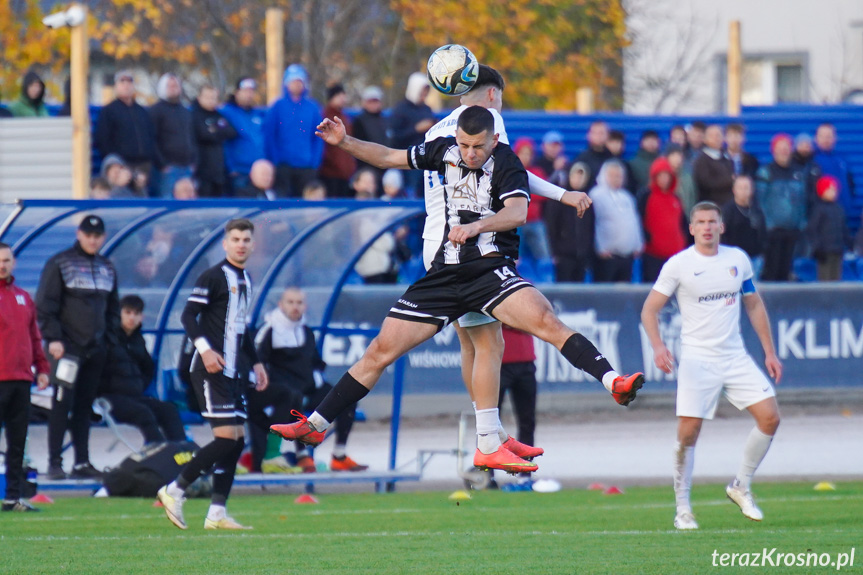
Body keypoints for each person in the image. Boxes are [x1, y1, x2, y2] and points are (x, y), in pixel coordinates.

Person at [271, 106, 644, 474]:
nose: (469, 153)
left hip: (488, 271)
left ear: (494, 139)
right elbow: (387, 156)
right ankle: (316, 424)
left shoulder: (507, 162)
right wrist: (344, 141)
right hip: (444, 275)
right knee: (381, 351)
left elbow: (517, 213)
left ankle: (613, 381)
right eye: (464, 145)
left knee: (544, 320)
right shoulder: (444, 150)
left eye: (477, 147)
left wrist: (476, 227)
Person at [417, 66, 594, 459]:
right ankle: (489, 437)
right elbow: (513, 175)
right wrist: (563, 194)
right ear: (493, 95)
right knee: (490, 344)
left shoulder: (435, 130)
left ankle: (490, 431)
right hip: (469, 242)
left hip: (435, 242)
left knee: (472, 345)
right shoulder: (489, 122)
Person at [641, 201, 783, 530]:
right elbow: (650, 310)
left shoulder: (737, 259)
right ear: (691, 228)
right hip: (698, 359)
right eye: (700, 222)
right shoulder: (679, 265)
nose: (707, 227)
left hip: (735, 355)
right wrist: (659, 347)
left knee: (770, 417)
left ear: (722, 226)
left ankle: (740, 485)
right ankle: (683, 508)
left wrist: (769, 352)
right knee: (689, 433)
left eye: (712, 221)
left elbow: (753, 304)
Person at [157, 218, 268, 531]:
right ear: (225, 243)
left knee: (237, 440)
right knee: (226, 438)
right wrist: (205, 350)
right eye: (235, 239)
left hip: (234, 372)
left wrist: (257, 363)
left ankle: (217, 513)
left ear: (252, 243)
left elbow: (241, 328)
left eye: (246, 239)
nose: (241, 244)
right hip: (210, 368)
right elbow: (187, 315)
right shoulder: (213, 276)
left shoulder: (246, 279)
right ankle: (174, 489)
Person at [36, 215, 120, 480]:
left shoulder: (107, 266)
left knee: (85, 406)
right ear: (79, 234)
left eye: (97, 236)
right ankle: (54, 462)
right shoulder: (60, 263)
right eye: (88, 235)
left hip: (95, 350)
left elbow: (113, 308)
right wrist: (54, 339)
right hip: (67, 349)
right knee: (61, 404)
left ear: (103, 237)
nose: (93, 240)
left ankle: (82, 461)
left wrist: (108, 340)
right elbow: (45, 306)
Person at [254, 287, 367, 473]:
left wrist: (317, 378)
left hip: (307, 388)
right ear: (281, 305)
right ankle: (302, 456)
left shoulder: (306, 331)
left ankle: (339, 455)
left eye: (299, 303)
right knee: (293, 397)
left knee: (346, 397)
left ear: (305, 306)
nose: (295, 307)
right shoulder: (270, 330)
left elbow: (315, 362)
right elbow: (258, 362)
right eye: (290, 302)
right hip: (282, 392)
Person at [0, 243, 50, 512]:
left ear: (13, 262)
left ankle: (13, 498)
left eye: (6, 260)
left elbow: (34, 337)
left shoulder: (23, 297)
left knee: (18, 442)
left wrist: (42, 368)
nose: (2, 265)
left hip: (21, 379)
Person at [98, 295, 186, 446]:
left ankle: (181, 452)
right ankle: (156, 451)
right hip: (109, 398)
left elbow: (148, 369)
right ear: (119, 313)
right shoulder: (106, 339)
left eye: (136, 313)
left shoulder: (138, 340)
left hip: (134, 397)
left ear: (142, 316)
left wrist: (138, 385)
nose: (132, 317)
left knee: (168, 410)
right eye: (128, 312)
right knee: (143, 413)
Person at [754, 134, 810, 281]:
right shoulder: (766, 172)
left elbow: (803, 200)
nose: (784, 152)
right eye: (780, 149)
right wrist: (767, 225)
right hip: (773, 232)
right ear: (774, 151)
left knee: (787, 272)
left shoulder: (798, 173)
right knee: (771, 272)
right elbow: (759, 202)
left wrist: (801, 223)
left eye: (787, 148)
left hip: (793, 231)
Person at [264, 64, 324, 197]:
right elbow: (270, 134)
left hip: (306, 166)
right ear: (287, 83)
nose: (297, 85)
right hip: (283, 166)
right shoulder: (278, 106)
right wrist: (276, 160)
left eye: (300, 81)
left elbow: (319, 137)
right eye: (293, 81)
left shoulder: (312, 108)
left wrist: (314, 162)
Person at [94, 71, 157, 190]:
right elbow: (102, 140)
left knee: (142, 203)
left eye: (129, 81)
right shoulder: (108, 111)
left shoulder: (142, 112)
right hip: (120, 168)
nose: (126, 85)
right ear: (115, 86)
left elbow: (151, 137)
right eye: (122, 81)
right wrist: (116, 166)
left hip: (143, 167)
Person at [496, 324, 539, 489]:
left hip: (526, 361)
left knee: (527, 421)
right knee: (490, 419)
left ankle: (524, 474)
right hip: (498, 362)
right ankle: (487, 474)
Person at [589, 160, 644, 282]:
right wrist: (600, 248)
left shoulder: (627, 196)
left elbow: (634, 221)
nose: (616, 179)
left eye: (619, 176)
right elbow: (593, 223)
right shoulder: (596, 195)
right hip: (607, 256)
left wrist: (638, 244)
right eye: (612, 175)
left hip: (627, 256)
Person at [637, 157, 688, 283]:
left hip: (675, 255)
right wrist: (647, 238)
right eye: (660, 175)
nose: (664, 179)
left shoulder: (676, 198)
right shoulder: (646, 195)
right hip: (653, 255)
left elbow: (682, 224)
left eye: (667, 175)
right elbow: (638, 220)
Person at [544, 162, 594, 282]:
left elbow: (590, 228)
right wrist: (554, 252)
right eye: (576, 175)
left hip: (581, 255)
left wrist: (587, 252)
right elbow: (551, 227)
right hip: (564, 255)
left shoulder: (588, 202)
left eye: (582, 176)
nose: (579, 179)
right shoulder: (559, 200)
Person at [389, 72, 437, 197]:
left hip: (426, 159)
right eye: (422, 91)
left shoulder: (426, 109)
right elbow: (395, 136)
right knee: (411, 192)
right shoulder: (401, 109)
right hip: (407, 160)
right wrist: (416, 129)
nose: (424, 94)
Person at [150, 73, 197, 198]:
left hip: (186, 167)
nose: (173, 88)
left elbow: (192, 137)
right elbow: (151, 139)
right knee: (167, 202)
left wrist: (193, 161)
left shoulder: (185, 111)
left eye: (175, 85)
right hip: (167, 169)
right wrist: (162, 164)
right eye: (169, 86)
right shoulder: (155, 110)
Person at [221, 77, 265, 194]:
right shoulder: (226, 112)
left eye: (251, 91)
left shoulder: (258, 114)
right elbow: (223, 142)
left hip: (258, 172)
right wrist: (230, 167)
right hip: (239, 171)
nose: (249, 95)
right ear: (237, 92)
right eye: (245, 91)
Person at [192, 85, 237, 198]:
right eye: (207, 97)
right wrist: (218, 130)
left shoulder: (219, 115)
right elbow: (204, 134)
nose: (211, 101)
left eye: (214, 98)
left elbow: (231, 132)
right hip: (202, 171)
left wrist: (214, 130)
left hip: (218, 171)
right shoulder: (194, 115)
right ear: (199, 97)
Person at [807, 175, 852, 281]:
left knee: (836, 278)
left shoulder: (839, 209)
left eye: (834, 189)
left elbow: (843, 229)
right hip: (825, 252)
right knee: (825, 279)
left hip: (838, 250)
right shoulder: (818, 209)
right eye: (830, 189)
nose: (834, 192)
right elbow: (812, 230)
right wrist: (817, 248)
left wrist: (849, 244)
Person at [318, 84, 357, 198]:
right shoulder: (325, 116)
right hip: (330, 172)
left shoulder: (344, 117)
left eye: (343, 95)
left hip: (344, 172)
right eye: (339, 95)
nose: (342, 98)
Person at [720, 176, 765, 265]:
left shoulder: (757, 210)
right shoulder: (727, 211)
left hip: (754, 257)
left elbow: (762, 233)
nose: (743, 191)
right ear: (734, 190)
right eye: (740, 188)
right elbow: (722, 236)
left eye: (746, 188)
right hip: (732, 258)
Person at [813, 123, 856, 216]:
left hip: (842, 214)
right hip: (821, 217)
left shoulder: (842, 160)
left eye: (829, 136)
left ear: (834, 138)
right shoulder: (811, 161)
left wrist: (848, 202)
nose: (826, 140)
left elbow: (851, 183)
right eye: (822, 136)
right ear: (816, 138)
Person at [352, 86, 390, 185]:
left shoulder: (385, 120)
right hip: (366, 167)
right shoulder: (359, 121)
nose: (373, 104)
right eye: (370, 101)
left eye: (375, 101)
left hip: (385, 165)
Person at [692, 124, 734, 206]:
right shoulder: (702, 160)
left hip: (728, 204)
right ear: (704, 139)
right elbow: (706, 183)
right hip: (711, 205)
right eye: (712, 136)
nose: (716, 138)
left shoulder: (727, 157)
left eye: (718, 135)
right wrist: (730, 180)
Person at [575, 121, 612, 189]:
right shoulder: (581, 160)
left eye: (601, 133)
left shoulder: (614, 160)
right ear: (588, 135)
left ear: (608, 135)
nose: (599, 136)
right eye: (595, 133)